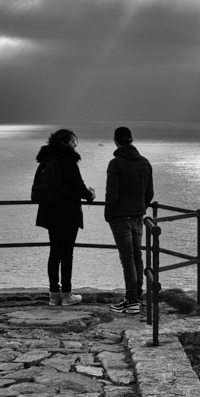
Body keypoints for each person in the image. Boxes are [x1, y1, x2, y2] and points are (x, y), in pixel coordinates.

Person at [32, 128, 95, 306]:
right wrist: (90, 195)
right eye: (72, 141)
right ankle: (66, 294)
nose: (74, 145)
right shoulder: (68, 161)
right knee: (67, 253)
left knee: (54, 252)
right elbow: (78, 185)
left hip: (50, 211)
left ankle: (54, 295)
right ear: (64, 143)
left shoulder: (46, 160)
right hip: (67, 212)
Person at [105, 126, 154, 314]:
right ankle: (138, 296)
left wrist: (109, 215)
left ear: (116, 141)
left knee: (127, 259)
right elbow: (149, 192)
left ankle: (131, 300)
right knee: (137, 256)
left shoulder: (115, 164)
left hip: (120, 217)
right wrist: (141, 208)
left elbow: (112, 194)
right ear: (131, 140)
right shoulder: (145, 162)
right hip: (137, 216)